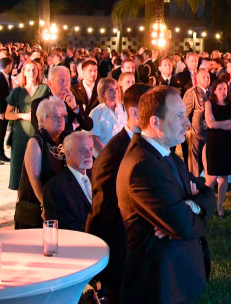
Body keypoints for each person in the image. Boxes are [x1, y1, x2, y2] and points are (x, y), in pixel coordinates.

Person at [116, 86, 215, 304]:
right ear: (155, 122)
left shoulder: (167, 155)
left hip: (175, 279)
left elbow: (208, 194)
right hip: (158, 285)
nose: (187, 122)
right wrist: (190, 212)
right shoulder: (143, 165)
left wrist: (191, 206)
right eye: (179, 116)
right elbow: (184, 226)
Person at [86, 84, 151, 304]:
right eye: (154, 110)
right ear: (135, 112)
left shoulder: (148, 145)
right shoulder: (113, 155)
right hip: (124, 253)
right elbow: (102, 212)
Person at [15, 96, 67, 229]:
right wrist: (45, 205)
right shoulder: (36, 142)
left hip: (61, 205)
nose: (60, 119)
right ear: (42, 120)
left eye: (62, 116)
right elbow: (35, 179)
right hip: (38, 209)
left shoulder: (66, 140)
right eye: (55, 116)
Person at [4, 60, 49, 191]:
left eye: (34, 70)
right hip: (21, 132)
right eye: (28, 70)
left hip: (38, 131)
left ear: (38, 72)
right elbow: (7, 114)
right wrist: (22, 115)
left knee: (38, 165)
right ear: (23, 72)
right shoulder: (18, 91)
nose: (31, 73)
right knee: (20, 165)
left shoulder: (44, 89)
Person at [42, 131, 93, 231]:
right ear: (68, 153)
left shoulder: (96, 177)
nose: (88, 155)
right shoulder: (55, 187)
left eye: (90, 149)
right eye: (83, 150)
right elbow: (64, 226)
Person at [204, 79, 231, 217]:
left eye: (225, 89)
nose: (223, 91)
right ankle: (205, 205)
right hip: (214, 142)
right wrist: (226, 122)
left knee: (224, 176)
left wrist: (219, 124)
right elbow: (211, 124)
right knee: (211, 177)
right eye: (220, 89)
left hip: (226, 142)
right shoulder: (209, 104)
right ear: (215, 90)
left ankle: (220, 207)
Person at [184, 68, 210, 177]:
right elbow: (185, 114)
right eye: (204, 77)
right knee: (193, 160)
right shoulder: (192, 93)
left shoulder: (211, 91)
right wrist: (187, 129)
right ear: (197, 79)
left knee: (207, 157)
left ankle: (209, 180)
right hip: (195, 132)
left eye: (208, 77)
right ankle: (193, 181)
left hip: (208, 132)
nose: (207, 79)